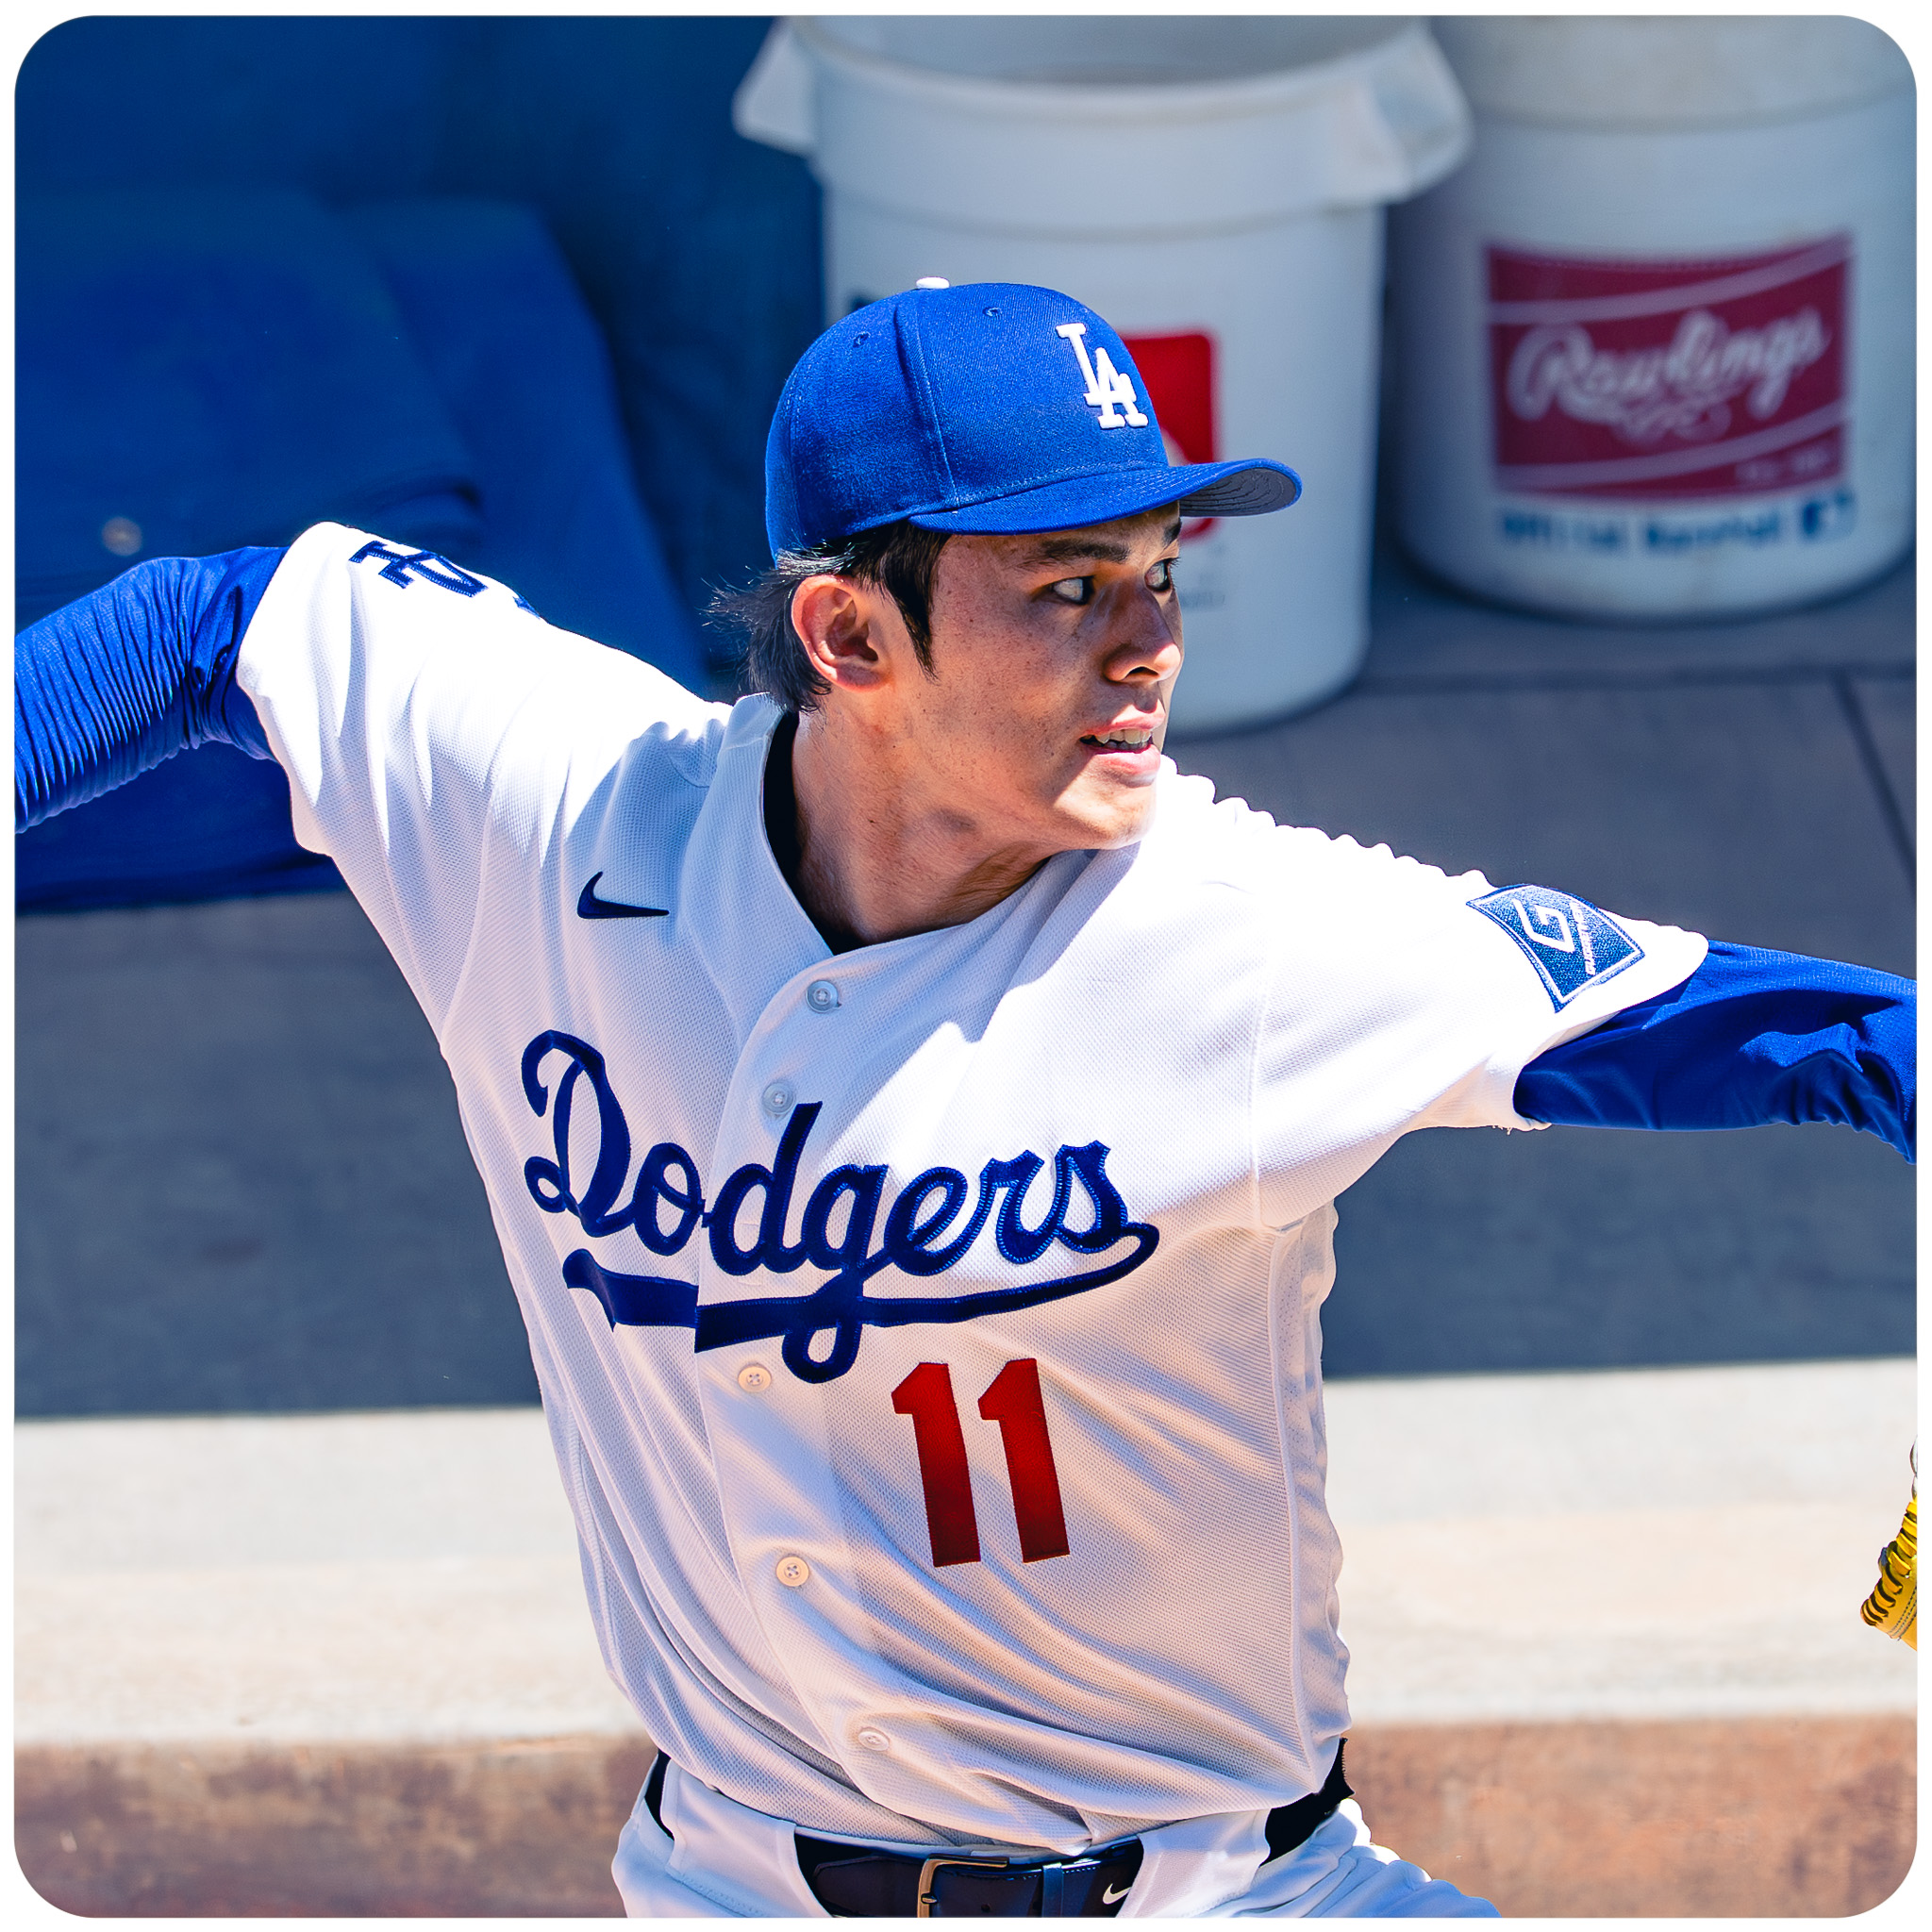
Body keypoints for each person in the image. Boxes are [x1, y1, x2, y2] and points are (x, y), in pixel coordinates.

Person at [14, 282, 1913, 1918]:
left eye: (1163, 574)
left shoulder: (1253, 939)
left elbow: (1811, 1032)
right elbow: (214, 622)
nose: (1149, 647)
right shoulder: (564, 812)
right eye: (1070, 586)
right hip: (727, 1879)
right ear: (848, 637)